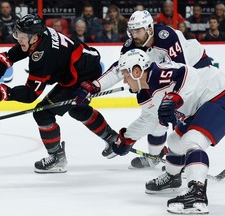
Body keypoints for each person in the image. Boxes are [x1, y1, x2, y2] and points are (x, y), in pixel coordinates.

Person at [0, 14, 118, 173]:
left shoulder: (43, 57)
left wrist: (3, 93)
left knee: (43, 113)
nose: (19, 39)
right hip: (83, 65)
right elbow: (25, 47)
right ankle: (111, 137)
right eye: (18, 34)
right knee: (76, 109)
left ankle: (57, 158)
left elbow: (30, 95)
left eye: (22, 36)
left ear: (34, 37)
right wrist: (6, 60)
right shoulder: (40, 33)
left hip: (83, 76)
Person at [75, 10, 212, 169]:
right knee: (156, 115)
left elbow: (183, 72)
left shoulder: (166, 37)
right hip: (168, 75)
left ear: (149, 29)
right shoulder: (132, 45)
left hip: (196, 69)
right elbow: (120, 68)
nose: (134, 35)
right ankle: (155, 157)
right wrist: (95, 86)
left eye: (138, 31)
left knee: (178, 115)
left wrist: (127, 139)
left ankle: (184, 159)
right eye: (132, 31)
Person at [114, 48, 225, 214]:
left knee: (192, 140)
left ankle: (197, 193)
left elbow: (189, 74)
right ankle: (173, 177)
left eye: (125, 75)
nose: (124, 81)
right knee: (175, 141)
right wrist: (127, 139)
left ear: (136, 71)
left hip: (218, 93)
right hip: (199, 106)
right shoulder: (144, 95)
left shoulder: (158, 73)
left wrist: (174, 98)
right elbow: (148, 120)